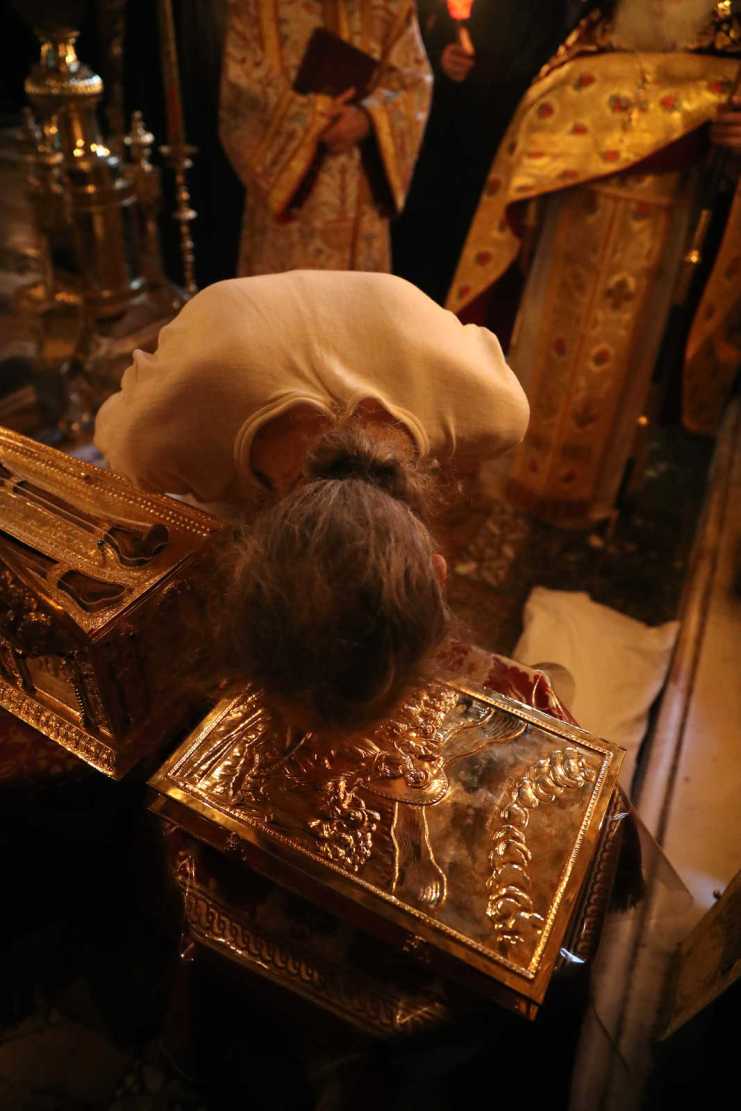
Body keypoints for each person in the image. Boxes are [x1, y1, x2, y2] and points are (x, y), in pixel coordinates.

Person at [94, 269, 529, 730]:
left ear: (438, 575)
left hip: (380, 319)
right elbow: (113, 430)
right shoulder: (166, 429)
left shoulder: (492, 407)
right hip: (231, 332)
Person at [448, 0, 741, 528]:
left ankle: (596, 495)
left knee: (627, 363)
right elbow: (547, 102)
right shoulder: (597, 27)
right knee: (542, 339)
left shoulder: (724, 38)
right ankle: (512, 470)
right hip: (570, 218)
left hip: (664, 225)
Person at [218, 0, 432, 276]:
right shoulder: (255, 6)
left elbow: (413, 82)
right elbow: (242, 92)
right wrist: (315, 118)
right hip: (287, 196)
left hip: (362, 186)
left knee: (358, 299)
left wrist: (367, 118)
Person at [392, 0, 574, 307]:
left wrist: (490, 74)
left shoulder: (543, 9)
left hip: (497, 137)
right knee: (417, 246)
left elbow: (545, 52)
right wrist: (441, 59)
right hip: (437, 135)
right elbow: (411, 42)